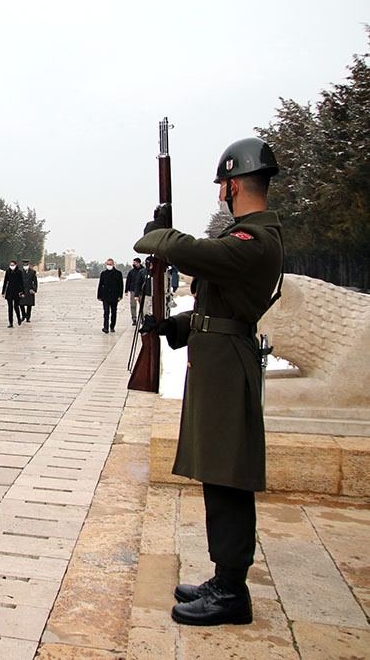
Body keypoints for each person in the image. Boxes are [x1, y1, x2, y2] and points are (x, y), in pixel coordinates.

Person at [134, 137, 282, 627]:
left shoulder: (254, 240)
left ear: (233, 184)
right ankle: (225, 580)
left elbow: (197, 255)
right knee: (220, 476)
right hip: (217, 361)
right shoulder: (248, 238)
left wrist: (159, 234)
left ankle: (232, 591)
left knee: (228, 478)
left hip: (226, 368)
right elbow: (219, 306)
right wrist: (172, 328)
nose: (221, 191)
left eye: (222, 183)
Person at [97, 258, 123, 333]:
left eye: (110, 264)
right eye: (107, 264)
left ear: (113, 264)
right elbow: (100, 285)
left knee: (114, 312)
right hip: (105, 296)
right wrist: (99, 295)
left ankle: (112, 326)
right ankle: (105, 327)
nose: (109, 266)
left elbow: (120, 285)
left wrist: (120, 296)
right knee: (106, 312)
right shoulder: (103, 273)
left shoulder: (118, 273)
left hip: (114, 296)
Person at [1, 260, 25, 328]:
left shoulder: (19, 272)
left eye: (13, 265)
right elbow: (5, 282)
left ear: (16, 265)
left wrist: (22, 292)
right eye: (10, 265)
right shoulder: (8, 272)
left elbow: (21, 282)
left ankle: (19, 318)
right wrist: (3, 292)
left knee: (16, 306)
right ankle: (10, 322)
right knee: (10, 308)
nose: (11, 266)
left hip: (17, 291)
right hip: (9, 292)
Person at [125, 257, 146, 326]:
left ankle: (143, 318)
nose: (134, 264)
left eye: (135, 263)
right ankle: (134, 319)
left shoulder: (143, 271)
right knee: (133, 305)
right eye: (133, 263)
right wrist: (126, 290)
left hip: (141, 291)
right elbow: (128, 281)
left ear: (139, 263)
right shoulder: (131, 272)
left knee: (142, 305)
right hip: (133, 290)